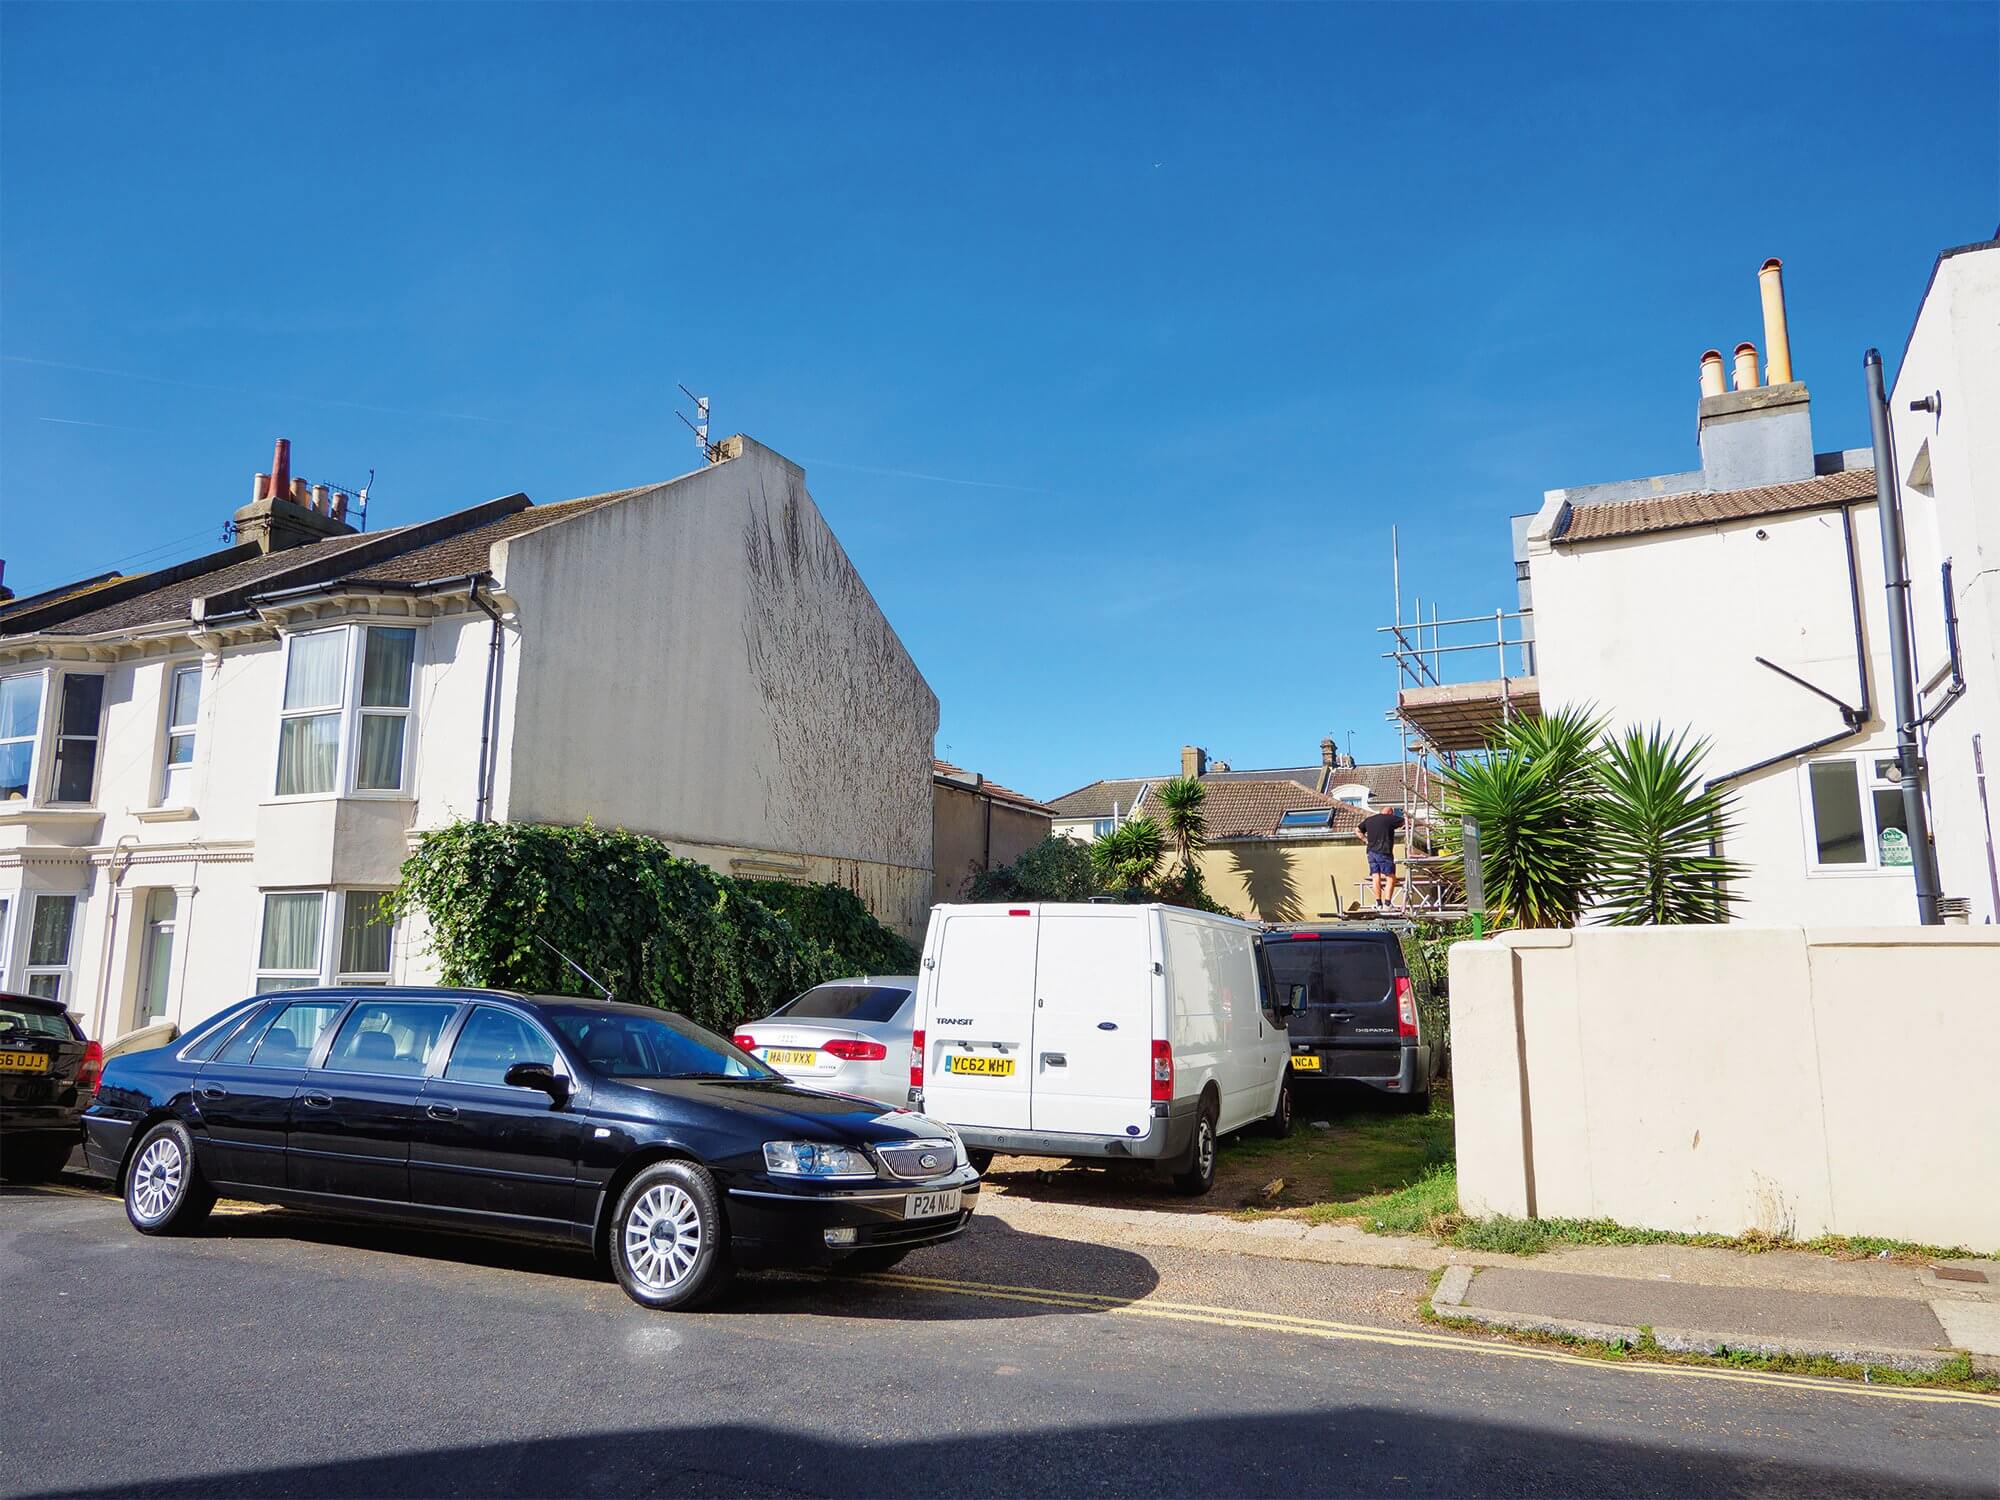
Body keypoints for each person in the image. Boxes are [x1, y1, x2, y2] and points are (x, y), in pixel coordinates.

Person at [1357, 806, 1406, 909]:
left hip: (1371, 852)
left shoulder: (1369, 820)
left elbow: (1357, 830)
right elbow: (1406, 822)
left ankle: (1378, 903)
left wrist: (1366, 840)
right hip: (1384, 852)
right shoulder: (1389, 818)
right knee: (1391, 877)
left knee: (1375, 877)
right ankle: (1387, 904)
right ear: (1390, 813)